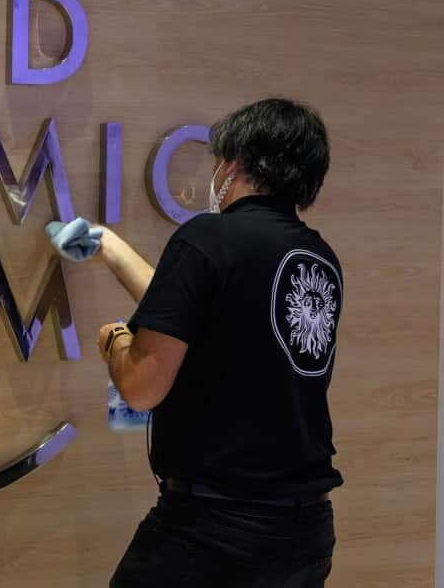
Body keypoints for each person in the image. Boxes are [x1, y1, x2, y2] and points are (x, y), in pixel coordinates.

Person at [46, 98, 342, 586]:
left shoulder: (208, 237)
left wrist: (116, 340)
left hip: (213, 532)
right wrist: (109, 246)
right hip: (304, 532)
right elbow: (196, 315)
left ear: (237, 163)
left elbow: (142, 388)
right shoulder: (317, 256)